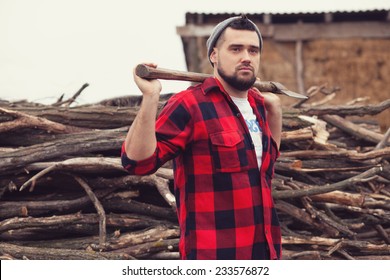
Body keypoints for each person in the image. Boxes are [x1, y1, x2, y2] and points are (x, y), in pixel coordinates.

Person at [121, 14, 282, 260]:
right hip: (214, 257)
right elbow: (137, 163)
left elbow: (265, 173)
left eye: (253, 50)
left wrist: (275, 112)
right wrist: (151, 97)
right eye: (236, 49)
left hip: (265, 255)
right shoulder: (190, 104)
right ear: (214, 55)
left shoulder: (260, 105)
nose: (246, 57)